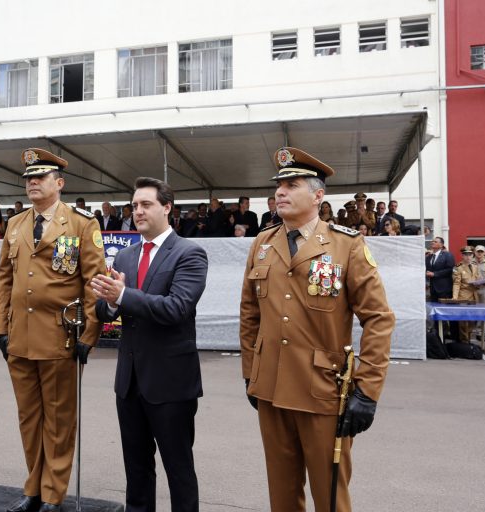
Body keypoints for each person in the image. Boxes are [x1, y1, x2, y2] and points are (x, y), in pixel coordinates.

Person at [239, 146, 394, 512]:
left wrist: (367, 391)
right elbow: (250, 314)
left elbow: (379, 318)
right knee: (282, 493)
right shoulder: (263, 244)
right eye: (279, 186)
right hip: (271, 387)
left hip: (324, 392)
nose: (280, 193)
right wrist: (251, 373)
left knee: (329, 495)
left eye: (292, 185)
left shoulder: (347, 246)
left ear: (318, 195)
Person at [0, 148, 105, 512]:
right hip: (20, 338)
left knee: (58, 421)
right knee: (29, 419)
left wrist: (89, 334)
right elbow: (4, 279)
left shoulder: (81, 223)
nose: (32, 183)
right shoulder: (16, 224)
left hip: (61, 338)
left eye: (39, 177)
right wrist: (1, 327)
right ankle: (33, 489)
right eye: (29, 178)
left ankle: (53, 494)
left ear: (59, 183)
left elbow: (95, 282)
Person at [92, 177, 208, 512]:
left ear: (167, 207)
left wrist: (124, 295)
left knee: (179, 470)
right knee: (137, 471)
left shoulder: (190, 253)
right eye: (134, 205)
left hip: (171, 383)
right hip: (129, 383)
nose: (138, 211)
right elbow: (106, 309)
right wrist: (112, 303)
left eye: (146, 204)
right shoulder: (125, 257)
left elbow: (177, 308)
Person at [452, 246, 480, 342]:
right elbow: (456, 283)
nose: (468, 257)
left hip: (474, 295)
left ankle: (468, 337)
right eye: (466, 255)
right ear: (462, 256)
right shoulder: (458, 268)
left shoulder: (475, 266)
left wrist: (479, 282)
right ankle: (464, 340)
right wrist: (455, 297)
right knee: (463, 320)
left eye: (470, 254)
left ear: (473, 255)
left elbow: (477, 278)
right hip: (463, 295)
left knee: (472, 318)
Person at [426, 237, 455, 302]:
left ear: (441, 245)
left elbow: (450, 269)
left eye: (435, 242)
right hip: (432, 289)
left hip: (444, 288)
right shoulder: (429, 257)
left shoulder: (447, 255)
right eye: (432, 241)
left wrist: (434, 274)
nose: (432, 242)